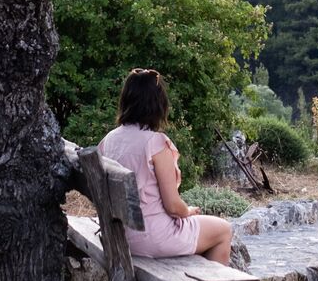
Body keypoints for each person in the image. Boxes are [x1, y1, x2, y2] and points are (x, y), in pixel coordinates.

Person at [99, 67, 234, 266]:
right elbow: (173, 206)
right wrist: (187, 211)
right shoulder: (155, 143)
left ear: (126, 101)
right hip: (152, 238)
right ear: (158, 105)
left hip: (118, 235)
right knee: (224, 229)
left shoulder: (109, 140)